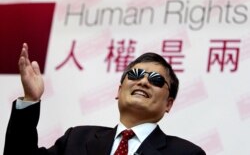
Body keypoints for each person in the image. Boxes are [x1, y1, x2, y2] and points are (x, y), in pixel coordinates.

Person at [4, 43, 206, 155]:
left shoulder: (187, 154)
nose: (143, 82)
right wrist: (30, 99)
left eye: (155, 80)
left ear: (168, 103)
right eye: (135, 75)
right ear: (119, 90)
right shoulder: (76, 139)